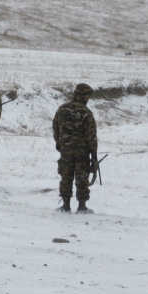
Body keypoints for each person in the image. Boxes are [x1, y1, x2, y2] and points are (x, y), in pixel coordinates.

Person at [52, 83, 98, 214]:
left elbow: (55, 127)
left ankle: (65, 205)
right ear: (85, 96)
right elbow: (91, 135)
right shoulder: (86, 112)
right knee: (82, 177)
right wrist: (93, 153)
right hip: (81, 151)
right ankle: (82, 206)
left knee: (65, 176)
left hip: (65, 149)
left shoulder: (62, 109)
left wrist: (59, 143)